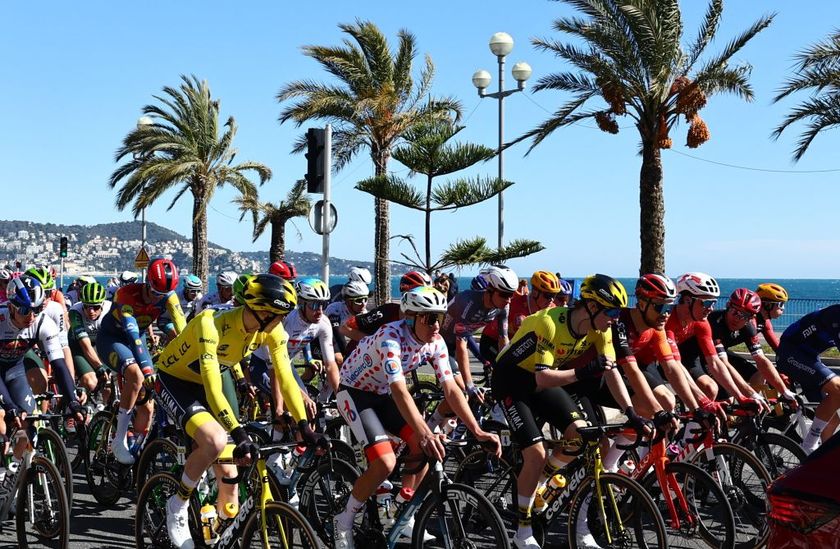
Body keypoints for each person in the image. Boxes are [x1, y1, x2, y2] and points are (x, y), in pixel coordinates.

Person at [332, 286, 501, 549]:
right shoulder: (391, 336)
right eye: (430, 317)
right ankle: (343, 520)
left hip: (381, 393)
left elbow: (451, 389)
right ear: (410, 317)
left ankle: (400, 511)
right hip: (354, 393)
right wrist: (425, 432)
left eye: (440, 317)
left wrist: (477, 430)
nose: (437, 325)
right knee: (385, 463)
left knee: (422, 447)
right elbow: (400, 390)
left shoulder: (435, 342)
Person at [156, 274, 315, 549]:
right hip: (176, 381)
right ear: (264, 312)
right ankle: (177, 503)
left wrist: (304, 426)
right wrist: (238, 432)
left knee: (231, 489)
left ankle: (214, 532)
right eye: (279, 315)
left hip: (215, 377)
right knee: (216, 440)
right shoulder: (211, 324)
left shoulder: (271, 330)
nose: (282, 322)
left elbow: (286, 377)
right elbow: (212, 387)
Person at [493, 274, 636, 549]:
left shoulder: (601, 329)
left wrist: (630, 411)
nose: (616, 318)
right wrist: (583, 371)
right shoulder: (549, 323)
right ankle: (522, 532)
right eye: (612, 311)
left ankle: (542, 479)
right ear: (592, 307)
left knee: (580, 435)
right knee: (534, 453)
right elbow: (543, 378)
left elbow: (612, 369)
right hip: (511, 381)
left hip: (541, 379)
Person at [96, 258, 185, 464]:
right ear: (147, 283)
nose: (157, 299)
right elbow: (132, 332)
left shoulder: (168, 297)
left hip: (139, 338)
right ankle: (118, 440)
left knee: (148, 404)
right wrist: (146, 371)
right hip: (113, 338)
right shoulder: (126, 294)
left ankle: (135, 445)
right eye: (154, 293)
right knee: (137, 376)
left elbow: (181, 329)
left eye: (162, 295)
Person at [0, 277, 83, 469]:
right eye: (24, 310)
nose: (31, 316)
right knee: (3, 423)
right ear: (11, 307)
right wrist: (10, 406)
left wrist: (72, 401)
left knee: (28, 421)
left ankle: (12, 473)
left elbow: (59, 365)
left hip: (14, 371)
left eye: (36, 309)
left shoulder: (43, 323)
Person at [704, 288, 793, 404]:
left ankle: (747, 412)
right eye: (735, 312)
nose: (737, 318)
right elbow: (723, 363)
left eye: (744, 316)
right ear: (728, 306)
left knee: (758, 375)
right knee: (727, 400)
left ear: (751, 318)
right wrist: (751, 395)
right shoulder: (715, 323)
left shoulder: (750, 327)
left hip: (719, 353)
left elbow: (762, 360)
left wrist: (785, 391)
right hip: (701, 355)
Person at [440, 265, 515, 398]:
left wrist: (507, 369)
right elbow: (461, 345)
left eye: (511, 295)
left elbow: (503, 339)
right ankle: (437, 419)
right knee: (463, 392)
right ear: (490, 290)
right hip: (441, 344)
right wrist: (469, 385)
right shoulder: (468, 302)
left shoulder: (503, 306)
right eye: (504, 294)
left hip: (462, 339)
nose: (508, 300)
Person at [777, 304, 840, 454]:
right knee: (838, 388)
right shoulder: (835, 316)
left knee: (832, 420)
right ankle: (809, 446)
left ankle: (823, 461)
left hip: (809, 357)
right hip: (790, 354)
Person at [339, 270, 431, 356]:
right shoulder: (387, 311)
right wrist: (376, 344)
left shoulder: (427, 320)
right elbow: (345, 328)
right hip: (359, 359)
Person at [68, 282, 112, 395]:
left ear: (102, 304)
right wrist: (99, 367)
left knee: (109, 383)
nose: (91, 311)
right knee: (91, 382)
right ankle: (76, 402)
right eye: (86, 306)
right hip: (78, 346)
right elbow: (85, 346)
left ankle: (106, 410)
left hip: (100, 343)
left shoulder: (111, 309)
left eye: (96, 307)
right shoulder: (75, 312)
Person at [325, 280, 370, 365]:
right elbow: (336, 334)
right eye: (359, 300)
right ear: (348, 301)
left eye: (365, 299)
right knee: (340, 359)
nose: (363, 304)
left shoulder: (364, 313)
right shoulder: (335, 309)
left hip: (340, 338)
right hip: (327, 337)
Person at [508, 271, 560, 337]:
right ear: (535, 292)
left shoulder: (553, 308)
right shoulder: (516, 305)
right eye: (548, 295)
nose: (552, 299)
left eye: (554, 295)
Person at [754, 283, 788, 354]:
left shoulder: (765, 322)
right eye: (781, 304)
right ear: (768, 305)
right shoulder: (750, 320)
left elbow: (778, 347)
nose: (783, 308)